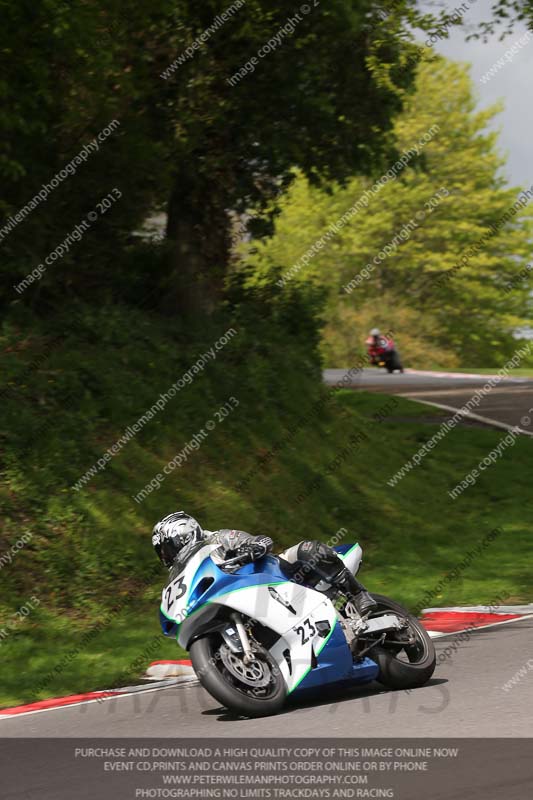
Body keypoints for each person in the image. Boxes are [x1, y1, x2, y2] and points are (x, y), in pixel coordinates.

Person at [152, 511, 377, 616]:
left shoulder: (217, 538)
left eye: (168, 548)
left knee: (308, 550)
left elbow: (252, 540)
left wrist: (254, 545)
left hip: (275, 573)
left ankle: (358, 595)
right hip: (243, 599)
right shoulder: (188, 573)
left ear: (184, 534)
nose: (167, 556)